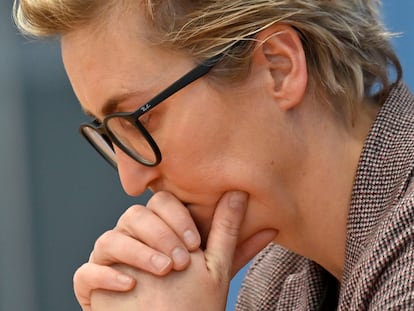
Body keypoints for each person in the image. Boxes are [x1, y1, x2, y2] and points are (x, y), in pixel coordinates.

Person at [14, 0, 414, 310]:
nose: (131, 181)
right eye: (110, 134)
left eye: (143, 118)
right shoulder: (276, 281)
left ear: (279, 67)